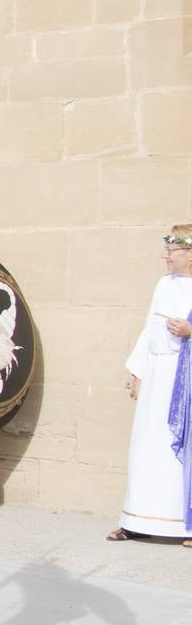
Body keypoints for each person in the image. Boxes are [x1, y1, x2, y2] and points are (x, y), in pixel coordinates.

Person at [114, 225, 192, 545]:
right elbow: (149, 329)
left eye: (170, 252)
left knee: (180, 453)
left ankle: (185, 526)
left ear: (189, 254)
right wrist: (139, 373)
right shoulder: (164, 284)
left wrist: (190, 330)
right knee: (145, 446)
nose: (164, 257)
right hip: (158, 373)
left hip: (184, 377)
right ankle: (136, 519)